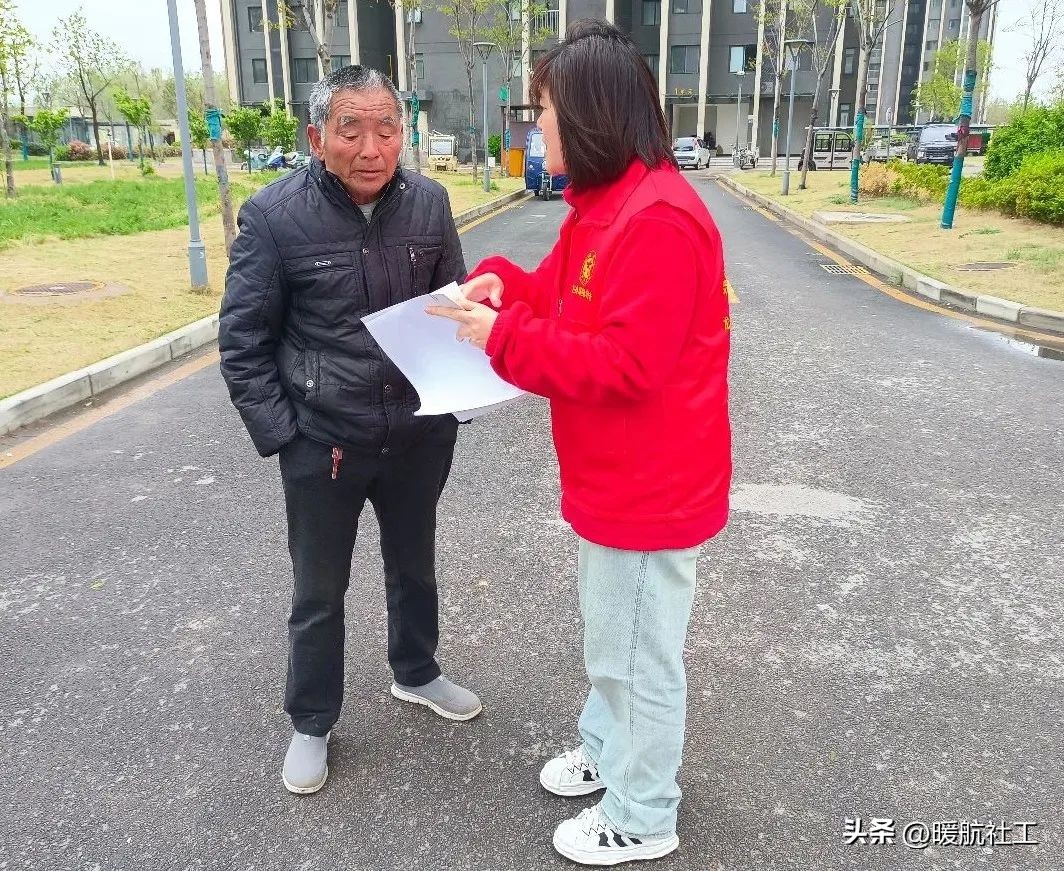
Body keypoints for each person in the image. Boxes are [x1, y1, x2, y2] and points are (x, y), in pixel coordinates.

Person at [429, 20, 732, 866]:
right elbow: (566, 300)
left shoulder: (661, 218)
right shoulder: (604, 207)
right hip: (613, 478)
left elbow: (628, 364)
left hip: (650, 487)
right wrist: (507, 287)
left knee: (637, 654)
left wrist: (498, 337)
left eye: (545, 112)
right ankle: (609, 751)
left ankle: (642, 812)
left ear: (591, 116)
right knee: (614, 637)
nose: (536, 129)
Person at [219, 65, 481, 797]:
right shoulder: (274, 215)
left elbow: (452, 311)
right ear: (316, 137)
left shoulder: (430, 203)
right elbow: (243, 341)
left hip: (415, 435)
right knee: (319, 590)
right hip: (323, 441)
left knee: (415, 565)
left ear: (405, 132)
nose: (372, 146)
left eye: (388, 127)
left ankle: (417, 670)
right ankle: (311, 719)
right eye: (351, 128)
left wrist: (460, 394)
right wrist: (285, 435)